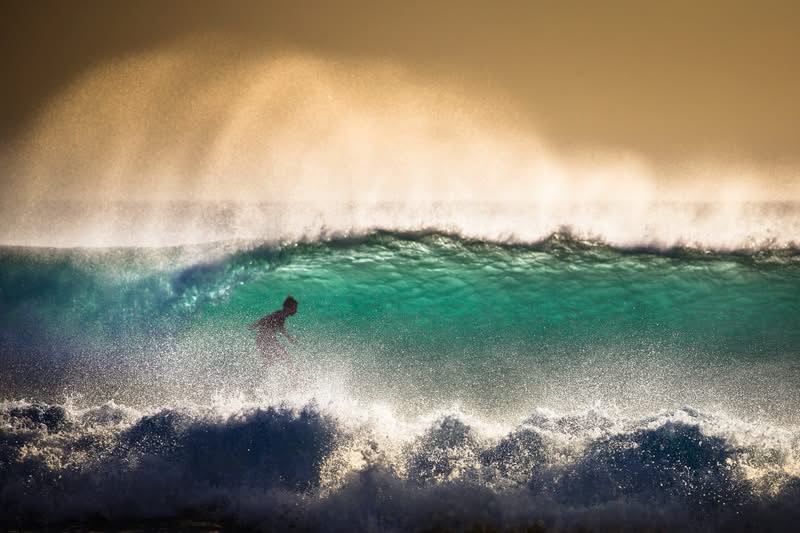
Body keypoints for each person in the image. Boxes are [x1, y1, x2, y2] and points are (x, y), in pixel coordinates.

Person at [249, 296, 299, 364]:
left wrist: (255, 325)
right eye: (295, 307)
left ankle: (259, 374)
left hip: (262, 338)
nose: (296, 310)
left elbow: (266, 319)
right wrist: (290, 338)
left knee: (269, 360)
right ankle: (293, 373)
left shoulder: (279, 313)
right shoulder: (282, 314)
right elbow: (280, 328)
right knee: (286, 357)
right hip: (266, 339)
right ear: (289, 307)